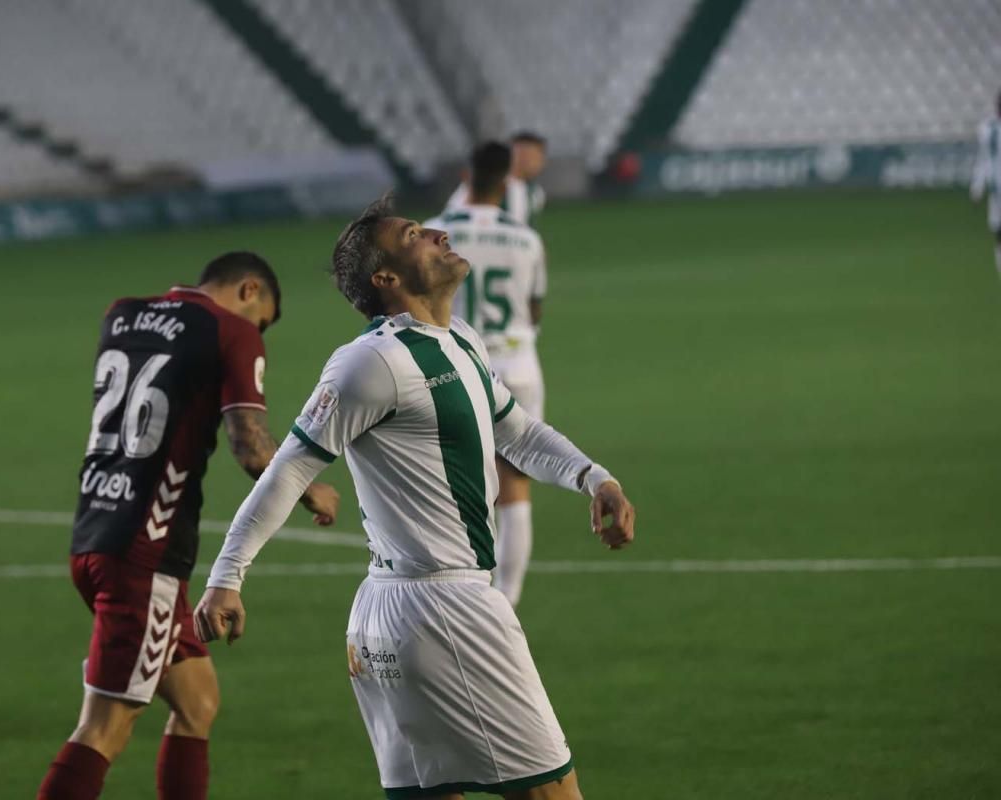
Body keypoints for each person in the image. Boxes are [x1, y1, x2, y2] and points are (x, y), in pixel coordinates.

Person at [196, 198, 635, 799]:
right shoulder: (372, 362)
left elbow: (516, 431)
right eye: (413, 235)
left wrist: (593, 477)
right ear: (386, 277)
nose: (437, 234)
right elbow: (290, 467)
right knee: (552, 793)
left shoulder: (460, 339)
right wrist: (227, 575)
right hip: (444, 609)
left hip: (390, 616)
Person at [37, 252, 340, 800]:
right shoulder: (231, 332)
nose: (257, 335)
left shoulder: (122, 315)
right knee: (104, 727)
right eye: (262, 322)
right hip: (145, 553)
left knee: (197, 701)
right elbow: (250, 446)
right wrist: (310, 488)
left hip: (95, 528)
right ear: (249, 290)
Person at [427, 141, 547, 607]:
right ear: (506, 182)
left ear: (465, 175)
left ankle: (455, 594)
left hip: (456, 366)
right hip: (518, 365)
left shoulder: (436, 233)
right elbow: (534, 310)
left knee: (453, 483)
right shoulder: (527, 238)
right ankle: (506, 605)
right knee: (515, 485)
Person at [446, 131, 548, 227]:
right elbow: (451, 217)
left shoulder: (536, 192)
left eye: (538, 157)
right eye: (526, 155)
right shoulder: (486, 183)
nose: (532, 161)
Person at [970, 90, 1001, 278]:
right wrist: (977, 186)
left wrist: (977, 188)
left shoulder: (987, 129)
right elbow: (984, 160)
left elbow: (983, 160)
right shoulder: (988, 129)